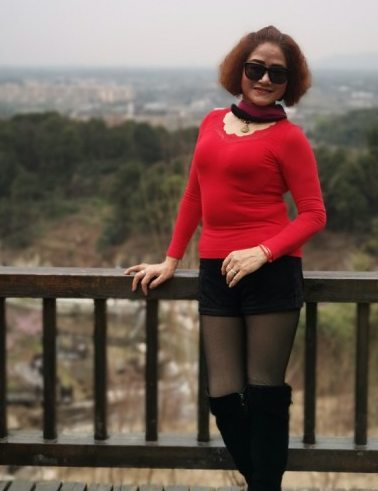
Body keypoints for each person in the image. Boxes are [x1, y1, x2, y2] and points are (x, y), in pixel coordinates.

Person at [125, 25, 326, 491]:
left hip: (270, 269)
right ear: (240, 71)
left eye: (277, 73)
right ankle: (262, 482)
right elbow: (194, 194)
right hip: (216, 269)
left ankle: (262, 487)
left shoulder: (289, 138)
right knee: (221, 394)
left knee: (264, 394)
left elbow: (314, 214)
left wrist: (263, 251)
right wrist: (171, 260)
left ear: (288, 83)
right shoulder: (211, 122)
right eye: (256, 68)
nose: (265, 78)